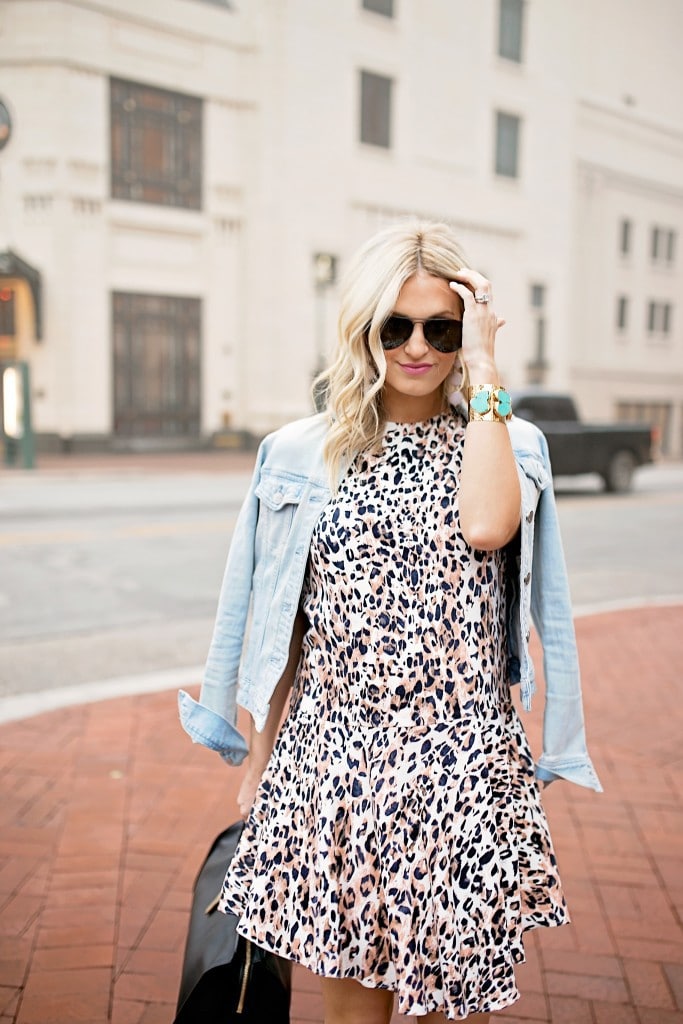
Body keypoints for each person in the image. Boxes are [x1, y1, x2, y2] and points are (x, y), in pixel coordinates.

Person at [179, 220, 602, 1023]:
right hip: (335, 761)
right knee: (350, 1012)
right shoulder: (303, 454)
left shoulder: (504, 440)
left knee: (450, 1004)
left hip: (461, 762)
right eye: (394, 325)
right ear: (362, 328)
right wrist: (257, 762)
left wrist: (483, 372)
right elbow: (290, 629)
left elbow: (485, 527)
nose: (417, 346)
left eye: (440, 328)